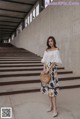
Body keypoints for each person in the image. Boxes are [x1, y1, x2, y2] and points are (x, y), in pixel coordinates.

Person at [40, 36, 62, 117]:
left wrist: (49, 68)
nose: (50, 42)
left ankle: (55, 109)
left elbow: (55, 61)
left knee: (53, 91)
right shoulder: (46, 50)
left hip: (52, 71)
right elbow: (44, 61)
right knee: (48, 90)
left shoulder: (56, 50)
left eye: (51, 41)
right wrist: (44, 69)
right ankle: (50, 106)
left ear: (54, 42)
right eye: (49, 41)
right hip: (46, 70)